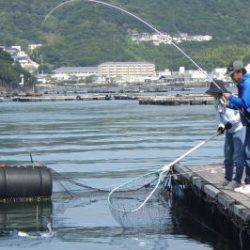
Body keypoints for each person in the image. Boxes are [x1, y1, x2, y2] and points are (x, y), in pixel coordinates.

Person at [206, 81, 245, 189]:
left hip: (239, 129)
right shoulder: (216, 101)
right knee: (228, 156)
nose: (212, 95)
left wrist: (229, 123)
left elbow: (240, 114)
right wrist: (220, 126)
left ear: (219, 92)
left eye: (214, 93)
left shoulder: (231, 98)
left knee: (238, 157)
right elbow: (219, 116)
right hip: (229, 131)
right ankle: (227, 178)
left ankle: (237, 180)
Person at [222, 61, 250, 184]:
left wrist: (230, 97)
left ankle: (249, 182)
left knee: (248, 153)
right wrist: (228, 104)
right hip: (248, 122)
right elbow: (242, 107)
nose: (231, 77)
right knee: (246, 152)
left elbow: (245, 103)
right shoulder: (242, 84)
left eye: (232, 74)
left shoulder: (248, 83)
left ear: (239, 72)